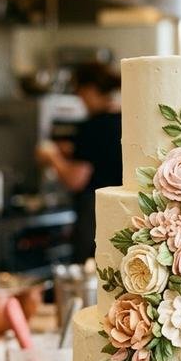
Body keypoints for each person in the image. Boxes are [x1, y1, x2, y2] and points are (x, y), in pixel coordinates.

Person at [36, 63, 121, 262]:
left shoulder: (93, 126)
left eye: (79, 93)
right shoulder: (121, 120)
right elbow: (102, 155)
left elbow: (76, 180)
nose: (80, 100)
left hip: (95, 215)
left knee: (91, 269)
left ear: (90, 89)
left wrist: (52, 156)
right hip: (120, 213)